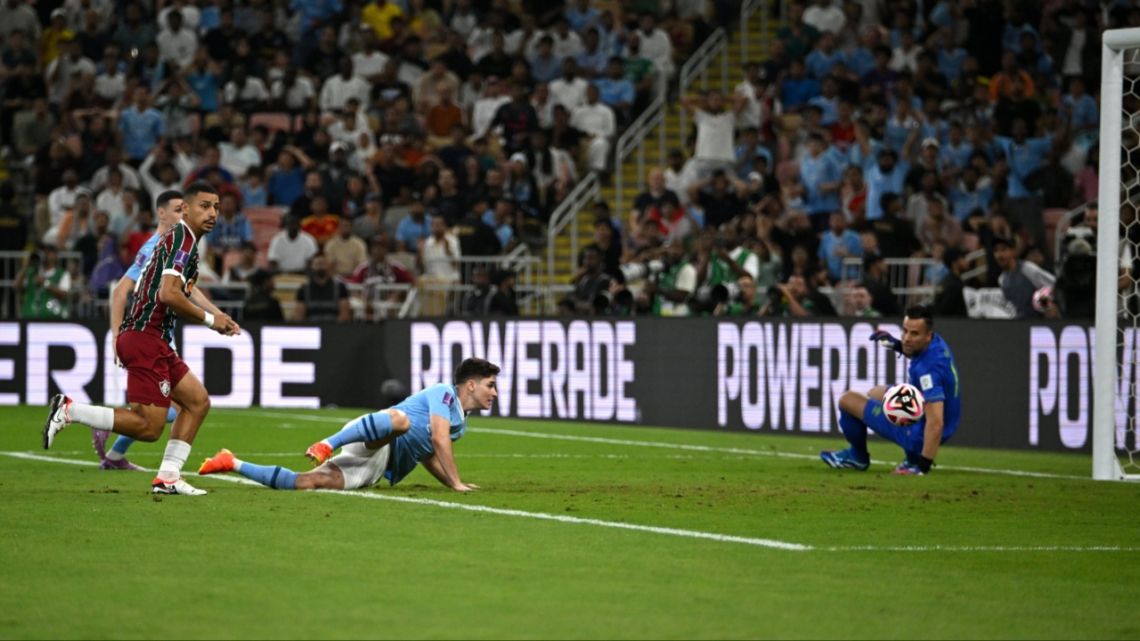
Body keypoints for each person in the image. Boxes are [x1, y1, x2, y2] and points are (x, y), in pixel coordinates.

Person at [42, 182, 241, 495]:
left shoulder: (179, 240)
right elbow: (168, 294)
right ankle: (69, 410)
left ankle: (168, 477)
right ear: (185, 209)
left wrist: (218, 316)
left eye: (216, 206)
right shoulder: (183, 240)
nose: (213, 212)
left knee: (197, 402)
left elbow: (176, 289)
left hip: (154, 338)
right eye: (204, 205)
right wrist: (209, 320)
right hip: (146, 337)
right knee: (149, 427)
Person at [197, 358, 499, 492]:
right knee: (401, 420)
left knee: (309, 483)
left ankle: (231, 462)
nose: (494, 393)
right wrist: (458, 482)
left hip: (378, 465)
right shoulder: (445, 394)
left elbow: (426, 453)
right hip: (376, 433)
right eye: (490, 385)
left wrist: (450, 483)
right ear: (470, 385)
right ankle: (327, 443)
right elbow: (439, 441)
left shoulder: (461, 422)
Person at [98, 190, 229, 470]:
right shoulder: (162, 244)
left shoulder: (179, 243)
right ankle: (109, 430)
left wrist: (217, 314)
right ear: (162, 213)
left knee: (189, 403)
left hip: (158, 331)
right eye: (180, 210)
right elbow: (122, 290)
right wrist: (116, 336)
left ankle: (122, 455)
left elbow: (187, 291)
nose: (185, 215)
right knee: (173, 410)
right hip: (151, 332)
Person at [820, 304, 961, 475]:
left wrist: (922, 467)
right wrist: (896, 345)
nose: (907, 338)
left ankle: (858, 457)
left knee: (847, 400)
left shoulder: (928, 371)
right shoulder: (936, 344)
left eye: (914, 333)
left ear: (927, 336)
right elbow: (917, 350)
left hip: (919, 434)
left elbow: (936, 422)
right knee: (875, 392)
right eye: (905, 331)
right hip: (929, 418)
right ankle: (912, 456)